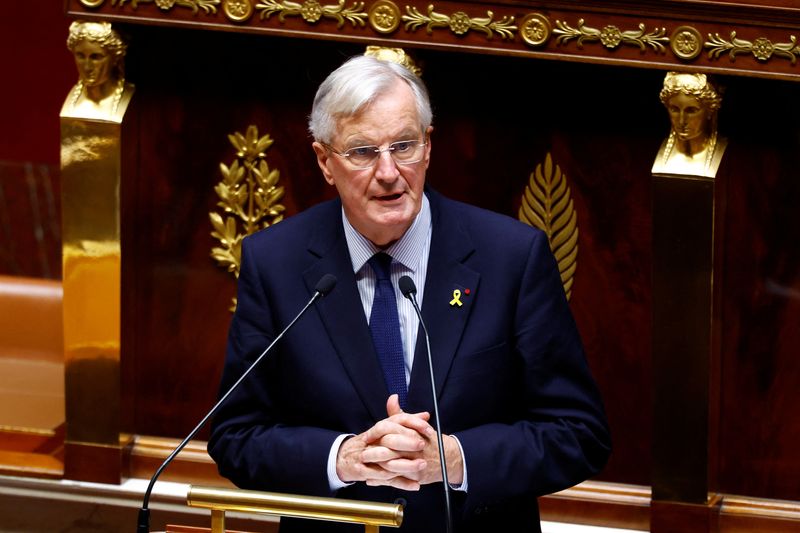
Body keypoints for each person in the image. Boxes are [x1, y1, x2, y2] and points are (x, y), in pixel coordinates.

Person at [208, 54, 611, 532]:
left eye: (403, 146)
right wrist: (344, 458)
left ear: (428, 147)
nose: (388, 172)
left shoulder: (510, 257)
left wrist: (456, 460)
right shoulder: (276, 262)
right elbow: (236, 436)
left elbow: (579, 434)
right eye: (361, 151)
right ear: (324, 161)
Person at [651, 71, 726, 178]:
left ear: (710, 111)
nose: (681, 121)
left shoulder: (729, 158)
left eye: (691, 111)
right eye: (674, 109)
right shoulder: (650, 152)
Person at [62, 21, 134, 122]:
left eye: (96, 57)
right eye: (80, 56)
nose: (87, 67)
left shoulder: (128, 95)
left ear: (115, 58)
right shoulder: (72, 102)